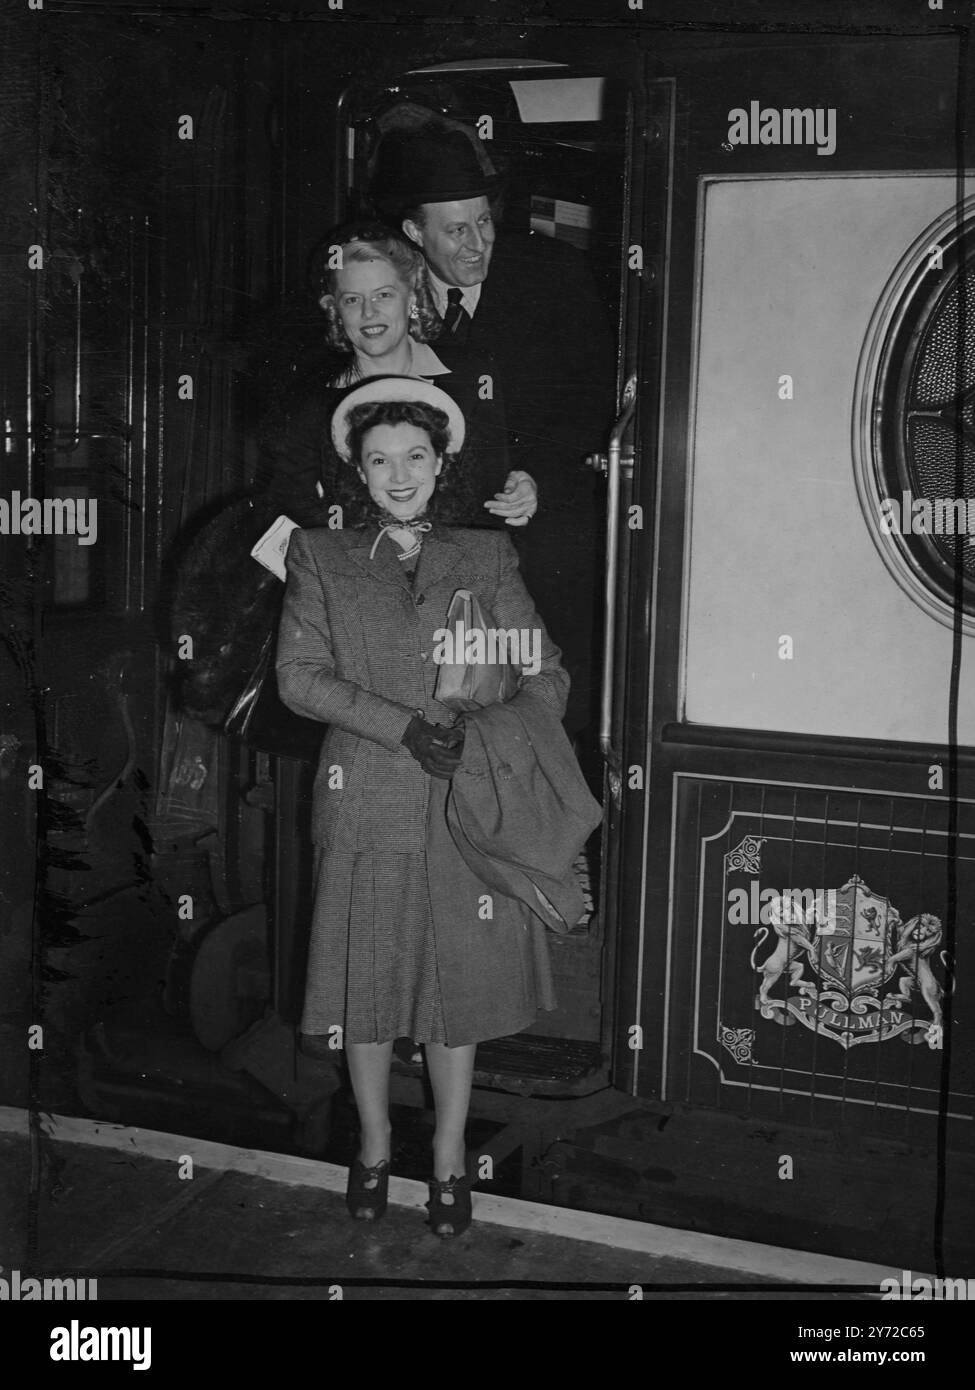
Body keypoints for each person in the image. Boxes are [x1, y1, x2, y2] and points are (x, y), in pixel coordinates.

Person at [275, 379, 572, 1237]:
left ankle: (446, 1158)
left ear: (440, 463)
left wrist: (491, 733)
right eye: (378, 460)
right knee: (362, 987)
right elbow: (298, 678)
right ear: (356, 471)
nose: (397, 474)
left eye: (414, 456)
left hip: (460, 806)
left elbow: (545, 670)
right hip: (363, 797)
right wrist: (404, 728)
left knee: (456, 992)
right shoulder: (320, 555)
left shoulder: (484, 555)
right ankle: (371, 1147)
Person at [368, 122, 616, 740]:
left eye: (485, 222)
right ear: (413, 232)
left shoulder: (555, 278)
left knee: (540, 698)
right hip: (427, 542)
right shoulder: (380, 294)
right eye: (456, 230)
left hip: (538, 534)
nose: (479, 244)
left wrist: (542, 477)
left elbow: (590, 401)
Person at [258, 220, 537, 531]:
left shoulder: (472, 378)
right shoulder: (314, 402)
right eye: (352, 299)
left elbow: (490, 494)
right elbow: (288, 508)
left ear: (413, 297)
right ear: (335, 311)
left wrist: (520, 492)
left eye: (384, 295)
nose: (369, 313)